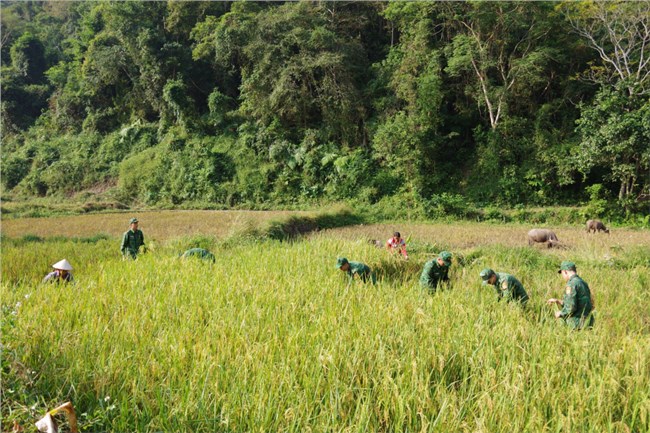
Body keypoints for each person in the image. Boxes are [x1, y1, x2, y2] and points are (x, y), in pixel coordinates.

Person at [547, 261, 594, 330]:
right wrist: (558, 301)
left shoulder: (571, 284)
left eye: (562, 273)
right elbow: (578, 301)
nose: (562, 276)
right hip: (587, 322)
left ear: (565, 272)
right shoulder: (582, 282)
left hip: (576, 324)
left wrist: (561, 313)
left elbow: (571, 307)